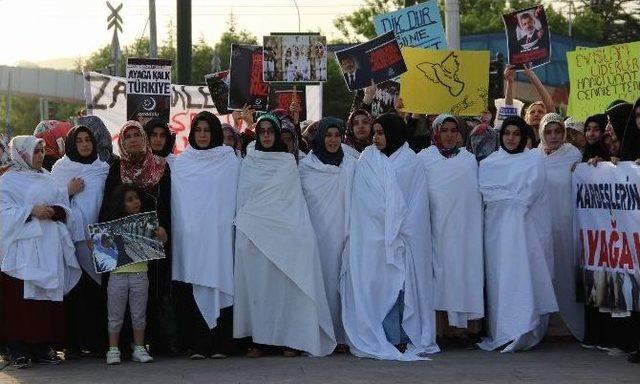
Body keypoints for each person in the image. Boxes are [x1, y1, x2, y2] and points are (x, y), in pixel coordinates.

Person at [233, 113, 336, 358]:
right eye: (263, 131)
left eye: (271, 131)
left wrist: (298, 234)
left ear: (277, 134)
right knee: (259, 290)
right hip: (254, 235)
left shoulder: (287, 162)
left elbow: (292, 202)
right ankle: (260, 341)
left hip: (286, 234)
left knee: (285, 290)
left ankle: (291, 340)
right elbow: (245, 199)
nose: (267, 135)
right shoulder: (249, 161)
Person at [340, 113, 439, 360]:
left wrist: (400, 229)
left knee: (404, 288)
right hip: (374, 237)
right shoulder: (367, 159)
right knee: (380, 286)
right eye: (375, 133)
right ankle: (387, 337)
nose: (376, 137)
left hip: (405, 238)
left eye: (381, 132)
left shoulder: (411, 162)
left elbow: (417, 203)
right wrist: (385, 224)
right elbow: (363, 200)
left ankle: (404, 337)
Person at [477, 116, 558, 353]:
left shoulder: (533, 161)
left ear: (524, 137)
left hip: (525, 235)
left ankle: (524, 327)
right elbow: (488, 194)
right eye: (507, 133)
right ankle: (501, 331)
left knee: (523, 277)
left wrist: (507, 197)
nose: (511, 138)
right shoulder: (490, 163)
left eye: (516, 134)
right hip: (496, 235)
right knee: (499, 280)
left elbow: (526, 197)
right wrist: (508, 197)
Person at [0, 135, 81, 368]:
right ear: (22, 154)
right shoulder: (8, 181)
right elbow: (2, 212)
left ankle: (42, 344)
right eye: (35, 152)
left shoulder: (48, 178)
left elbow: (64, 205)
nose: (40, 156)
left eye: (42, 151)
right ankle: (16, 347)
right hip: (21, 250)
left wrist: (56, 211)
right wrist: (31, 210)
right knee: (19, 300)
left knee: (45, 298)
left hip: (48, 246)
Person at [99, 120, 172, 356]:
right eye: (127, 136)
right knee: (118, 300)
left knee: (150, 293)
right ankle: (118, 345)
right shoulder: (116, 168)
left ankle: (147, 343)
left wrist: (164, 232)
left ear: (144, 138)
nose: (132, 139)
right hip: (122, 245)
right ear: (122, 141)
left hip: (152, 243)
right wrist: (102, 239)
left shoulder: (161, 167)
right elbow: (107, 207)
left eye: (136, 135)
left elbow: (166, 205)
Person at [170, 111, 240, 359]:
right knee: (196, 283)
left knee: (221, 283)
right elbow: (180, 204)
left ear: (215, 133)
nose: (202, 135)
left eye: (207, 130)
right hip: (193, 239)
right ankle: (199, 344)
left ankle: (222, 344)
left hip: (220, 238)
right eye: (198, 130)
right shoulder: (182, 163)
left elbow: (233, 198)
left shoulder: (229, 161)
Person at [417, 114, 484, 347]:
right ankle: (440, 330)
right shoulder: (424, 158)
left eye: (453, 130)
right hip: (435, 229)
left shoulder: (468, 160)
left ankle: (463, 329)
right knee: (439, 277)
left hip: (464, 231)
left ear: (460, 133)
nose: (448, 135)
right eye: (443, 130)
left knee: (463, 274)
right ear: (436, 132)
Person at [50, 126, 110, 358]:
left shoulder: (103, 168)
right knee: (75, 291)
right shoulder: (60, 168)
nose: (84, 145)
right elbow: (50, 199)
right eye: (79, 141)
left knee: (99, 291)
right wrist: (68, 190)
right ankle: (73, 344)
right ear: (72, 145)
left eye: (88, 140)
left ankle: (97, 342)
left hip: (101, 238)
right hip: (71, 241)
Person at [299, 117, 357, 348]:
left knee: (344, 286)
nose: (333, 140)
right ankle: (321, 333)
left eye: (337, 136)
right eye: (328, 135)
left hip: (347, 234)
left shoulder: (352, 163)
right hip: (317, 236)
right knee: (321, 283)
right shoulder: (306, 167)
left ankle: (343, 335)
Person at [533, 113, 584, 342]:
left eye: (557, 131)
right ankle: (545, 325)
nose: (553, 136)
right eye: (548, 132)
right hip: (540, 226)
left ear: (564, 133)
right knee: (544, 273)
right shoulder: (533, 157)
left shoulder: (573, 155)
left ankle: (567, 325)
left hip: (566, 224)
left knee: (565, 271)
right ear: (542, 133)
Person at [103, 184, 167, 365]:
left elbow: (162, 240)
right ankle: (113, 349)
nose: (135, 202)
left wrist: (162, 234)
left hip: (140, 274)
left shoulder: (147, 223)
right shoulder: (113, 226)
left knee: (139, 314)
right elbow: (102, 246)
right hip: (117, 276)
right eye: (129, 200)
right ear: (120, 204)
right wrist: (96, 244)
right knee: (115, 314)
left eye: (136, 198)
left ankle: (139, 347)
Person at [503, 64, 554, 145]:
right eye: (532, 112)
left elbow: (549, 105)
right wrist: (509, 82)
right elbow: (509, 110)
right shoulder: (520, 135)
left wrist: (532, 76)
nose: (536, 114)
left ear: (547, 116)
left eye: (540, 112)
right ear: (526, 118)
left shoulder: (552, 137)